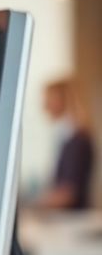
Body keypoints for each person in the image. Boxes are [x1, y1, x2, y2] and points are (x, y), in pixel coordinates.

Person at [36, 77, 94, 211]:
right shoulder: (66, 137)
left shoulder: (77, 140)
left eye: (48, 99)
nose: (44, 106)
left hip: (73, 220)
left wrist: (35, 204)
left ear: (60, 101)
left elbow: (68, 194)